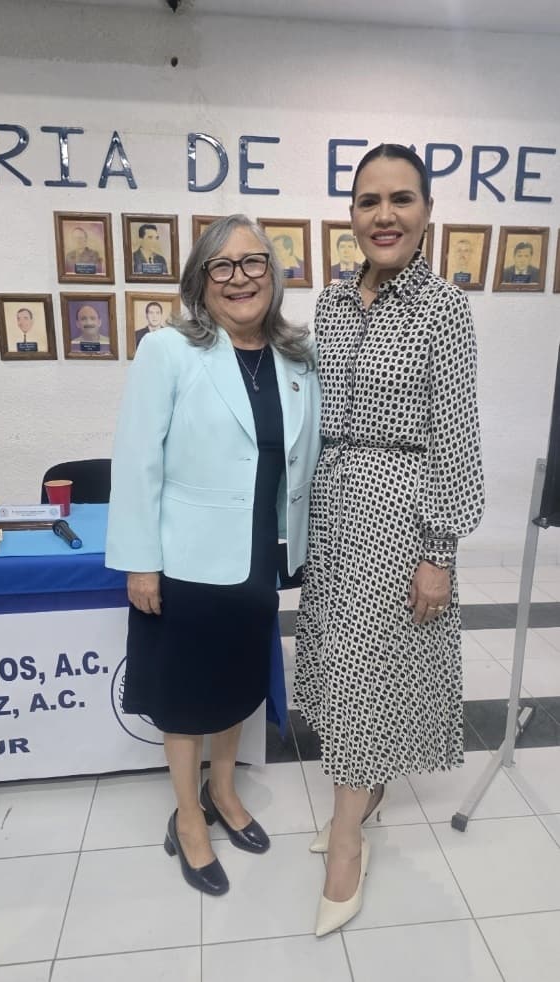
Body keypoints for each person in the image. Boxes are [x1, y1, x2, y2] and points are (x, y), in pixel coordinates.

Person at [295, 144, 484, 937]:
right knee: (341, 661)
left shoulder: (443, 308)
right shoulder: (332, 306)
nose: (384, 215)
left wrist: (439, 550)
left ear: (428, 213)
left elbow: (457, 434)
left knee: (370, 667)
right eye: (369, 201)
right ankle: (365, 788)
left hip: (401, 511)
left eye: (401, 199)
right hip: (333, 509)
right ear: (350, 216)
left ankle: (347, 842)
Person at [106, 214, 321, 897]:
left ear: (273, 273)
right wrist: (141, 561)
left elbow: (300, 461)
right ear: (200, 281)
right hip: (184, 561)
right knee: (184, 697)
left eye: (253, 263)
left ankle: (226, 793)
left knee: (233, 688)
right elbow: (138, 460)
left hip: (258, 554)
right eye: (222, 267)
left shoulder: (295, 357)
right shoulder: (168, 351)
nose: (240, 279)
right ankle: (190, 817)